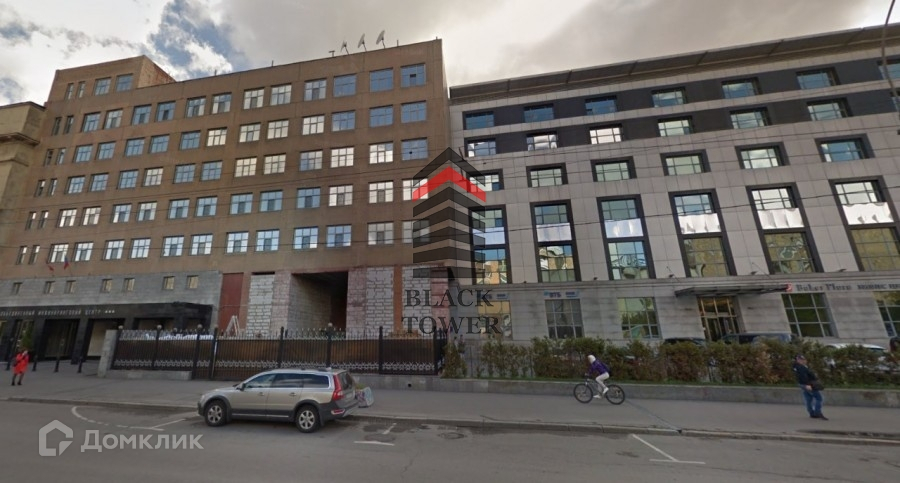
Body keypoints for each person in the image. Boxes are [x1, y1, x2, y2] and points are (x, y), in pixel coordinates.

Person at [792, 354, 827, 420]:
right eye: (801, 360)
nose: (804, 361)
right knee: (819, 398)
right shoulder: (801, 367)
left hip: (803, 384)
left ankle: (812, 413)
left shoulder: (797, 367)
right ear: (798, 360)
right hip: (807, 384)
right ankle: (817, 412)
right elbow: (803, 376)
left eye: (804, 359)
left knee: (808, 399)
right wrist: (807, 385)